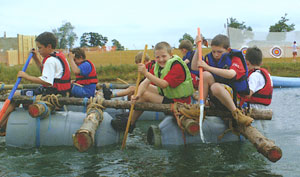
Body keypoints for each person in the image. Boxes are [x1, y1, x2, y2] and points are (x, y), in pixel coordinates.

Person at [111, 41, 194, 132]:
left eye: (164, 56)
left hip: (180, 102)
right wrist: (137, 95)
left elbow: (164, 84)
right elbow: (145, 83)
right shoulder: (157, 66)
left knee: (146, 95)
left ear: (170, 54)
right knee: (142, 90)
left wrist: (145, 73)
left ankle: (130, 122)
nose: (161, 59)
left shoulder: (176, 65)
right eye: (158, 57)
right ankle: (131, 116)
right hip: (170, 96)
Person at [0, 32, 71, 135]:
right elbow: (45, 72)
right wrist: (36, 58)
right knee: (20, 95)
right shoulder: (57, 56)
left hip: (49, 93)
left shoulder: (50, 60)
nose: (38, 50)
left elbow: (47, 81)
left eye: (40, 48)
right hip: (58, 92)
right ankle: (3, 127)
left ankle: (1, 125)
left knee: (16, 96)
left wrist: (26, 76)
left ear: (49, 46)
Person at [191, 34, 253, 126]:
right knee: (205, 75)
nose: (216, 55)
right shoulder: (211, 58)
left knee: (215, 86)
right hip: (216, 98)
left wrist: (208, 67)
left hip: (234, 99)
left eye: (219, 52)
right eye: (213, 51)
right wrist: (198, 48)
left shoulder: (235, 58)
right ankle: (200, 108)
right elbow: (194, 67)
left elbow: (231, 74)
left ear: (227, 50)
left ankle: (237, 114)